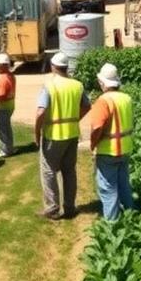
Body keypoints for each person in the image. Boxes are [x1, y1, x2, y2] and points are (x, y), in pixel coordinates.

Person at [35, 52, 90, 221]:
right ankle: (70, 207)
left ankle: (52, 209)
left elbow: (41, 111)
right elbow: (87, 106)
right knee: (69, 171)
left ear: (53, 66)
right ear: (66, 67)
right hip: (72, 135)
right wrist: (74, 119)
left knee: (49, 171)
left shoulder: (49, 85)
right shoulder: (77, 85)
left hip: (53, 136)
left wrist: (37, 132)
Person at [89, 62, 135, 222]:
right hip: (125, 148)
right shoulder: (126, 98)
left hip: (108, 151)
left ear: (103, 83)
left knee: (108, 189)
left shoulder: (103, 101)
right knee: (124, 185)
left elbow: (97, 127)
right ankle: (131, 216)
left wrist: (93, 144)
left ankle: (112, 225)